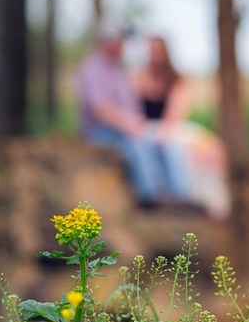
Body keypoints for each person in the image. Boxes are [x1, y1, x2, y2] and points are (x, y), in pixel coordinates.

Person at [76, 26, 192, 207]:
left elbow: (133, 106)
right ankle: (151, 196)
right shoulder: (93, 69)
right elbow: (99, 108)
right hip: (101, 130)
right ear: (109, 43)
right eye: (120, 41)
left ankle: (178, 195)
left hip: (128, 128)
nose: (123, 45)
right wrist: (128, 123)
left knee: (162, 143)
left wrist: (136, 123)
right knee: (139, 144)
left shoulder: (119, 70)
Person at [133, 35, 231, 219]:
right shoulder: (138, 78)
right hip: (146, 128)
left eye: (157, 50)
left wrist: (165, 131)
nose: (154, 54)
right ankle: (177, 193)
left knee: (212, 148)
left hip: (169, 127)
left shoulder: (177, 80)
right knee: (172, 148)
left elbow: (175, 114)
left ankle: (210, 204)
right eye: (151, 50)